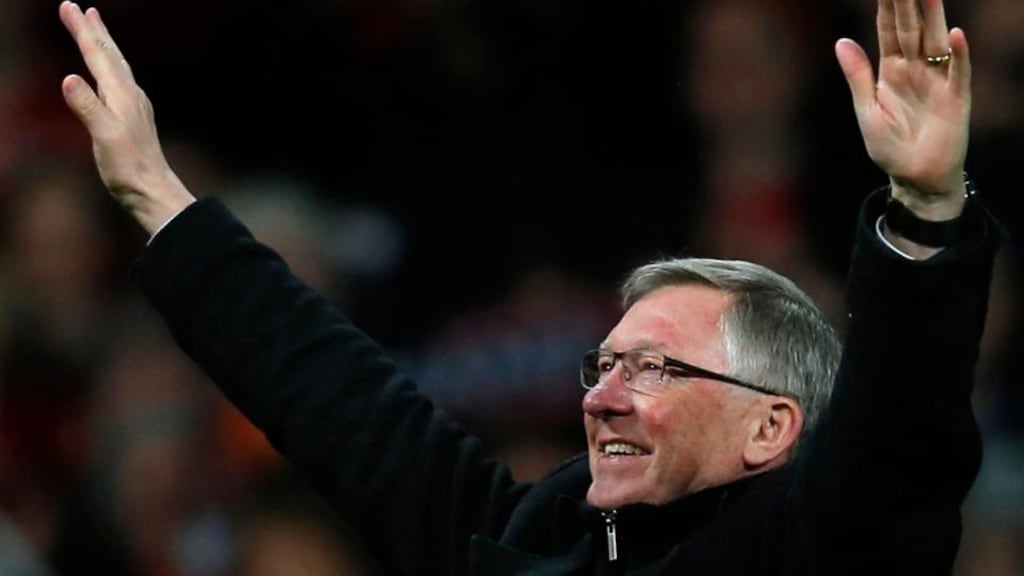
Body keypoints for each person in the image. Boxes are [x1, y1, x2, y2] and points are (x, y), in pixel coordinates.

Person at [57, 0, 1005, 573]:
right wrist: (161, 200)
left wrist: (925, 211)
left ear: (771, 428)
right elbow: (346, 407)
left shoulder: (824, 551)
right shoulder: (528, 540)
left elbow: (900, 436)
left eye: (654, 370)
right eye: (606, 363)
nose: (597, 395)